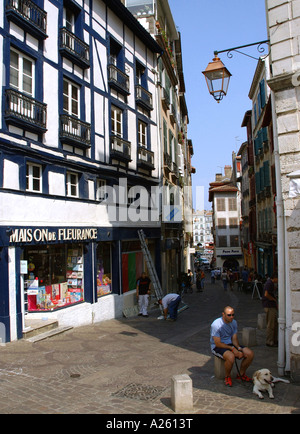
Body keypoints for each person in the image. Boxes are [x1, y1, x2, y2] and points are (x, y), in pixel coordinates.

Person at [210, 306, 254, 387]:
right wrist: (233, 349)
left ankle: (241, 374)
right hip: (218, 346)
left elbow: (234, 338)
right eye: (229, 315)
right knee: (231, 357)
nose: (231, 317)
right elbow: (217, 343)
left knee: (250, 353)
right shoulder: (216, 325)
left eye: (233, 315)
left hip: (230, 344)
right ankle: (227, 376)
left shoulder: (234, 322)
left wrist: (239, 348)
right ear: (223, 314)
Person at [262, 272, 278, 347]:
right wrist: (273, 300)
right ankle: (269, 341)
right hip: (269, 305)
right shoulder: (269, 283)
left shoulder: (270, 283)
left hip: (271, 306)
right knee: (271, 324)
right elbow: (266, 294)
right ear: (275, 278)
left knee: (274, 323)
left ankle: (274, 340)